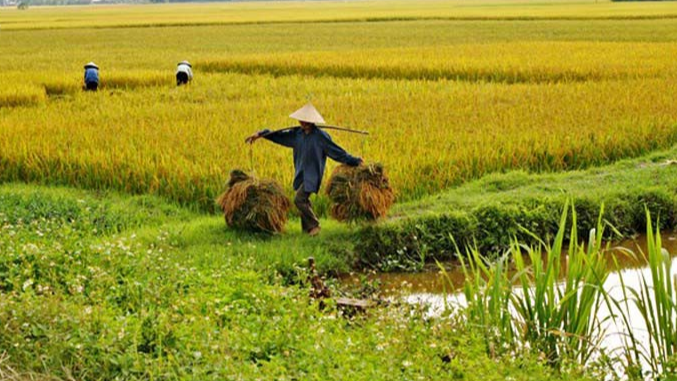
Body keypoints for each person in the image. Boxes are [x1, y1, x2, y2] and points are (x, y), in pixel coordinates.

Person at [246, 103, 363, 236]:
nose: (303, 123)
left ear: (312, 121)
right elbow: (278, 136)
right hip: (300, 172)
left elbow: (336, 152)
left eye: (306, 121)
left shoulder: (321, 137)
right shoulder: (296, 134)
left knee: (299, 199)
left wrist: (354, 161)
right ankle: (307, 231)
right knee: (303, 200)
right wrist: (261, 134)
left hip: (312, 174)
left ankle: (315, 225)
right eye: (301, 120)